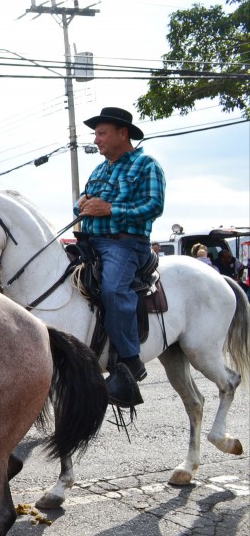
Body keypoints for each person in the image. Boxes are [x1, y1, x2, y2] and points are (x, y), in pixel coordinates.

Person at [75, 106, 165, 405]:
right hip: (90, 240)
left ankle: (129, 363)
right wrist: (83, 203)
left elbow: (154, 206)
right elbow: (83, 202)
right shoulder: (99, 169)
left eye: (102, 133)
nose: (97, 139)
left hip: (125, 244)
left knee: (114, 288)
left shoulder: (146, 165)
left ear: (122, 133)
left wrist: (112, 209)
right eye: (96, 134)